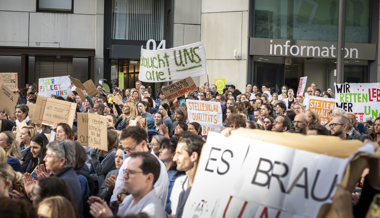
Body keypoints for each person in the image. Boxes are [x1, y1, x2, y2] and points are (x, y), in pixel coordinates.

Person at [88, 152, 166, 218]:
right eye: (125, 171)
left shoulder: (152, 211)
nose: (124, 176)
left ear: (149, 178)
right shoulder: (129, 199)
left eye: (131, 172)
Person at [110, 126, 168, 210]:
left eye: (130, 149)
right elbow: (116, 194)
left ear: (143, 144)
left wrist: (122, 197)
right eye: (125, 150)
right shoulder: (127, 162)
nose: (128, 153)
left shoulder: (159, 167)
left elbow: (148, 203)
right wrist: (119, 196)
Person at [170, 132, 204, 218]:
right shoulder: (178, 182)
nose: (174, 159)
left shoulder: (205, 191)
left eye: (179, 153)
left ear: (193, 156)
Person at [43, 140, 82, 212]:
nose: (44, 159)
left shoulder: (63, 182)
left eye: (48, 156)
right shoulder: (67, 175)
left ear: (61, 161)